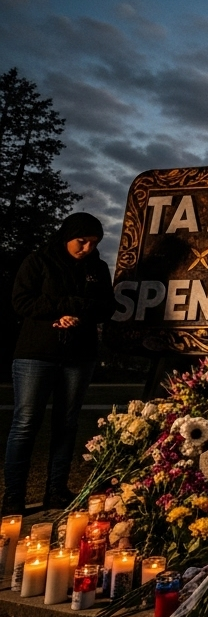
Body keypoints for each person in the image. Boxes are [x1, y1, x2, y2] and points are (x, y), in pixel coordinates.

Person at [3, 212, 115, 514]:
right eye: (82, 241)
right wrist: (59, 312)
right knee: (26, 423)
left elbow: (107, 306)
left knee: (66, 424)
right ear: (68, 236)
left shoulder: (98, 268)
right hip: (36, 354)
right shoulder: (38, 261)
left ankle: (56, 491)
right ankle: (13, 497)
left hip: (79, 356)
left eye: (94, 243)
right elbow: (21, 300)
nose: (87, 248)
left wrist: (79, 313)